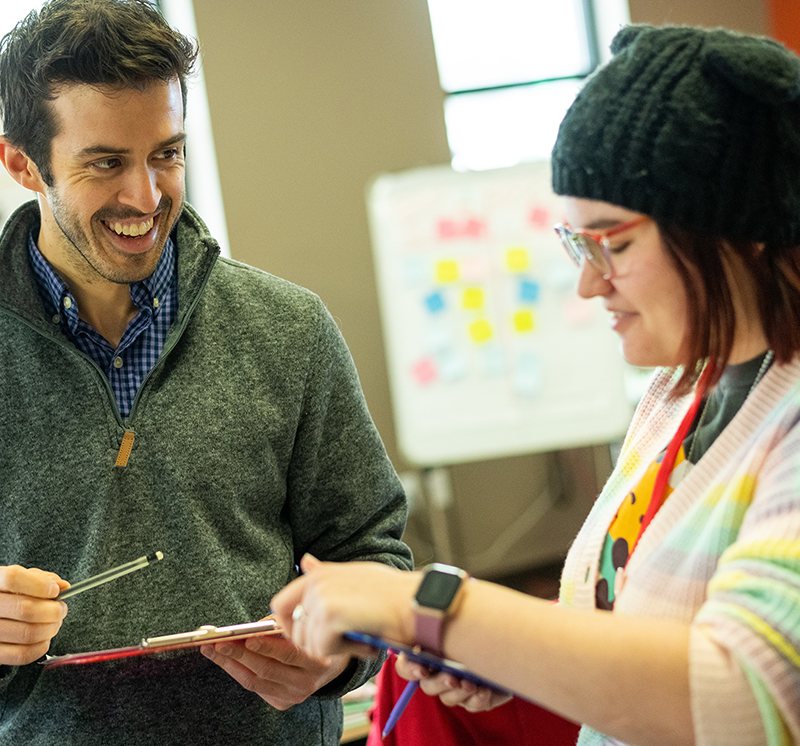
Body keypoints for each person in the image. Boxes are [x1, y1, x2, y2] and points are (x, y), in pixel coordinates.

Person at [271, 24, 800, 746]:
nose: (588, 283)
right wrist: (501, 658)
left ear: (741, 228)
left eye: (613, 243)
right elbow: (622, 632)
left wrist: (431, 606)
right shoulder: (681, 390)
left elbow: (745, 696)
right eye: (576, 244)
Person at [0, 0, 412, 743]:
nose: (146, 197)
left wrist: (340, 656)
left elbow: (371, 550)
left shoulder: (289, 329)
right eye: (106, 163)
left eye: (166, 153)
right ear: (23, 164)